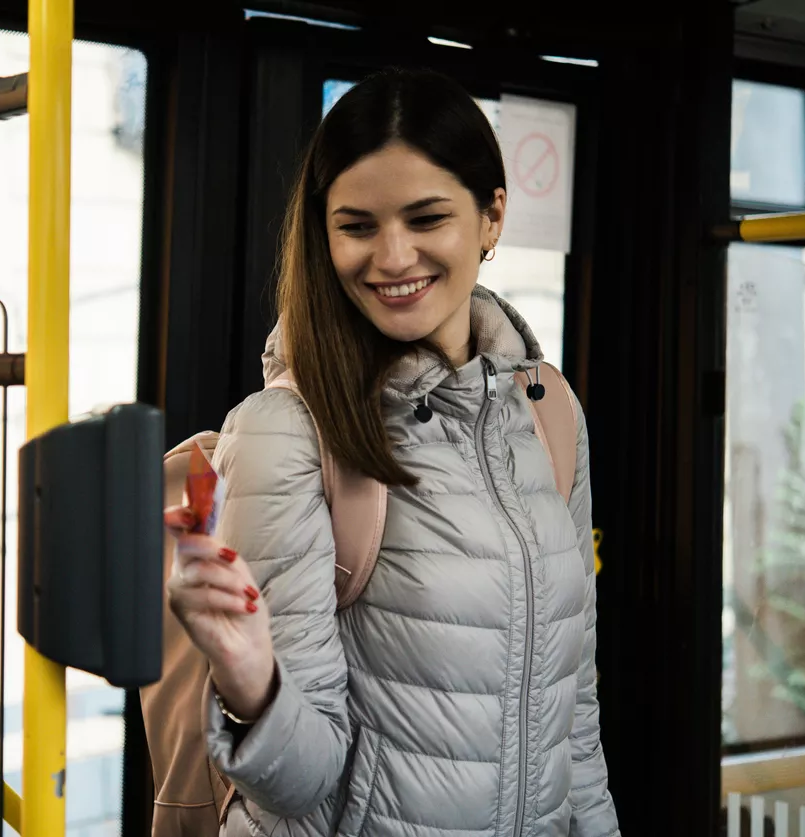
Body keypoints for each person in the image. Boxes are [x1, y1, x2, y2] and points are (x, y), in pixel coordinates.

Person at [163, 67, 620, 837]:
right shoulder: (286, 432)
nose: (393, 256)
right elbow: (298, 784)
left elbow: (575, 716)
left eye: (426, 217)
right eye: (358, 226)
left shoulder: (549, 412)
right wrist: (251, 680)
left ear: (491, 217)